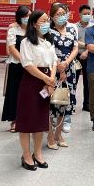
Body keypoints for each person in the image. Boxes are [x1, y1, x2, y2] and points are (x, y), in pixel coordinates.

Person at [17, 10, 58, 171]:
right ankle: (26, 155)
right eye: (43, 21)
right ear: (34, 24)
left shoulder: (48, 41)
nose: (47, 23)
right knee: (27, 119)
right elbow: (28, 65)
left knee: (41, 119)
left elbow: (54, 62)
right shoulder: (26, 42)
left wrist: (51, 80)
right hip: (32, 82)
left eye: (48, 20)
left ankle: (38, 153)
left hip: (47, 81)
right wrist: (46, 79)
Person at [47, 3, 78, 149]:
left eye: (63, 13)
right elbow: (49, 50)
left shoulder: (72, 28)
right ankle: (49, 135)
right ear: (52, 16)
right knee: (50, 103)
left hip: (69, 69)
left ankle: (58, 134)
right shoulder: (48, 30)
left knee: (64, 101)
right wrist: (60, 67)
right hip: (53, 69)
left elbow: (75, 48)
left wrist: (66, 63)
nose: (61, 16)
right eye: (58, 14)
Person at [2, 5, 30, 132]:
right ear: (19, 17)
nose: (28, 18)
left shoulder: (33, 30)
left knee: (28, 93)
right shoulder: (13, 29)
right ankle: (14, 120)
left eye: (29, 15)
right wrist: (23, 61)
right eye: (25, 16)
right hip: (17, 65)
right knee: (15, 93)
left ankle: (27, 119)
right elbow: (12, 48)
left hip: (32, 66)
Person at [76, 4, 92, 112]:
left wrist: (87, 50)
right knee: (74, 80)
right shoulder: (74, 27)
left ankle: (87, 104)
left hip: (89, 55)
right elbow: (73, 41)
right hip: (76, 56)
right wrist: (87, 45)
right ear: (80, 14)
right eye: (84, 14)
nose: (87, 15)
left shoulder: (92, 27)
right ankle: (71, 103)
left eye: (88, 14)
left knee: (88, 82)